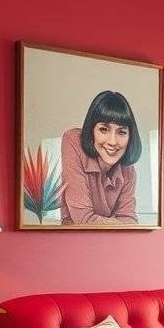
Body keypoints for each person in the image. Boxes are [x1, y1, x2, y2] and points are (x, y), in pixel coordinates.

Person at [61, 90, 142, 226]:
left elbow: (131, 222)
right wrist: (121, 225)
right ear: (91, 131)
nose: (112, 142)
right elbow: (82, 219)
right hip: (72, 241)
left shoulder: (128, 170)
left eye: (121, 132)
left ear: (130, 137)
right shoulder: (73, 141)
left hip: (110, 243)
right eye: (104, 129)